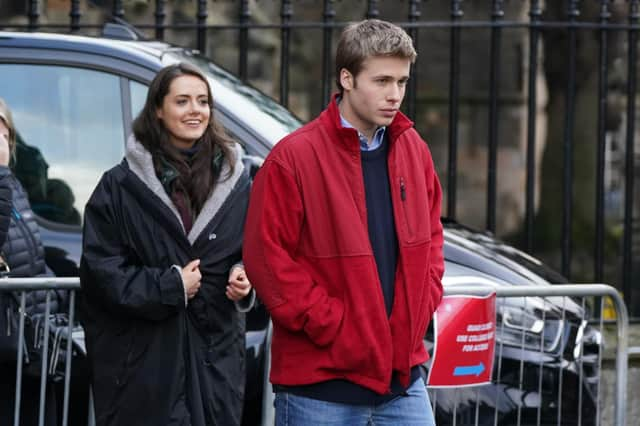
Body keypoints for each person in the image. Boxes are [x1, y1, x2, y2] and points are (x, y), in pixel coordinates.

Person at [243, 19, 444, 425]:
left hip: (402, 381)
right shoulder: (293, 157)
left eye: (402, 82)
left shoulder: (414, 149)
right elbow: (267, 259)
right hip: (320, 384)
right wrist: (332, 323)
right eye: (382, 80)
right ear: (346, 78)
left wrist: (424, 303)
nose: (394, 95)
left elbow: (433, 240)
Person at [79, 62, 254, 426]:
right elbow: (102, 274)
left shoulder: (240, 185)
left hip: (216, 366)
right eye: (183, 101)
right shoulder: (119, 187)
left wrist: (244, 277)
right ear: (158, 110)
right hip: (145, 371)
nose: (196, 110)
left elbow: (255, 253)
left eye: (203, 101)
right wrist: (170, 286)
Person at [0, 97, 62, 426]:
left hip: (30, 345)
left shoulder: (13, 186)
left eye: (1, 125)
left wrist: (58, 300)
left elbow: (33, 255)